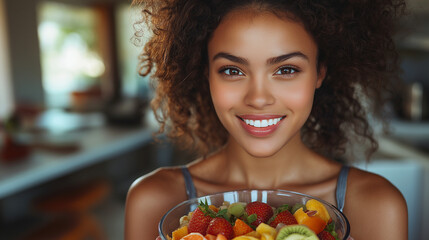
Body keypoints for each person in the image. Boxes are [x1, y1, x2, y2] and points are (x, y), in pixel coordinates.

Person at [125, 0, 408, 239]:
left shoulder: (377, 205)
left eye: (286, 69)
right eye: (232, 71)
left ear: (320, 72)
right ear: (206, 75)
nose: (258, 98)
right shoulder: (152, 200)